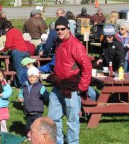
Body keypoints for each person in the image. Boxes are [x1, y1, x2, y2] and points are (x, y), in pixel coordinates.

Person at [47, 16, 92, 144]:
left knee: (72, 121)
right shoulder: (59, 43)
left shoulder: (76, 45)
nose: (60, 31)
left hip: (72, 88)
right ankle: (58, 141)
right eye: (57, 29)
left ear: (68, 28)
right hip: (57, 86)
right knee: (53, 118)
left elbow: (87, 66)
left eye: (63, 29)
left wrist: (82, 87)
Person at [18, 67, 49, 138]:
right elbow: (21, 93)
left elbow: (46, 95)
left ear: (37, 77)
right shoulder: (24, 86)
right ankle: (30, 135)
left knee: (37, 124)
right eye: (30, 77)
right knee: (28, 124)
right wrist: (20, 97)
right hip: (28, 109)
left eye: (34, 77)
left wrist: (49, 99)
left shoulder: (40, 86)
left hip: (37, 110)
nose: (32, 79)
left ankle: (38, 136)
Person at [1, 20, 29, 87]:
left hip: (17, 51)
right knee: (25, 68)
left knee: (19, 69)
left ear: (5, 27)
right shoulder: (17, 30)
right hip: (25, 50)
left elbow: (8, 45)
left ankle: (23, 85)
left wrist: (3, 50)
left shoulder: (9, 32)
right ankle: (27, 82)